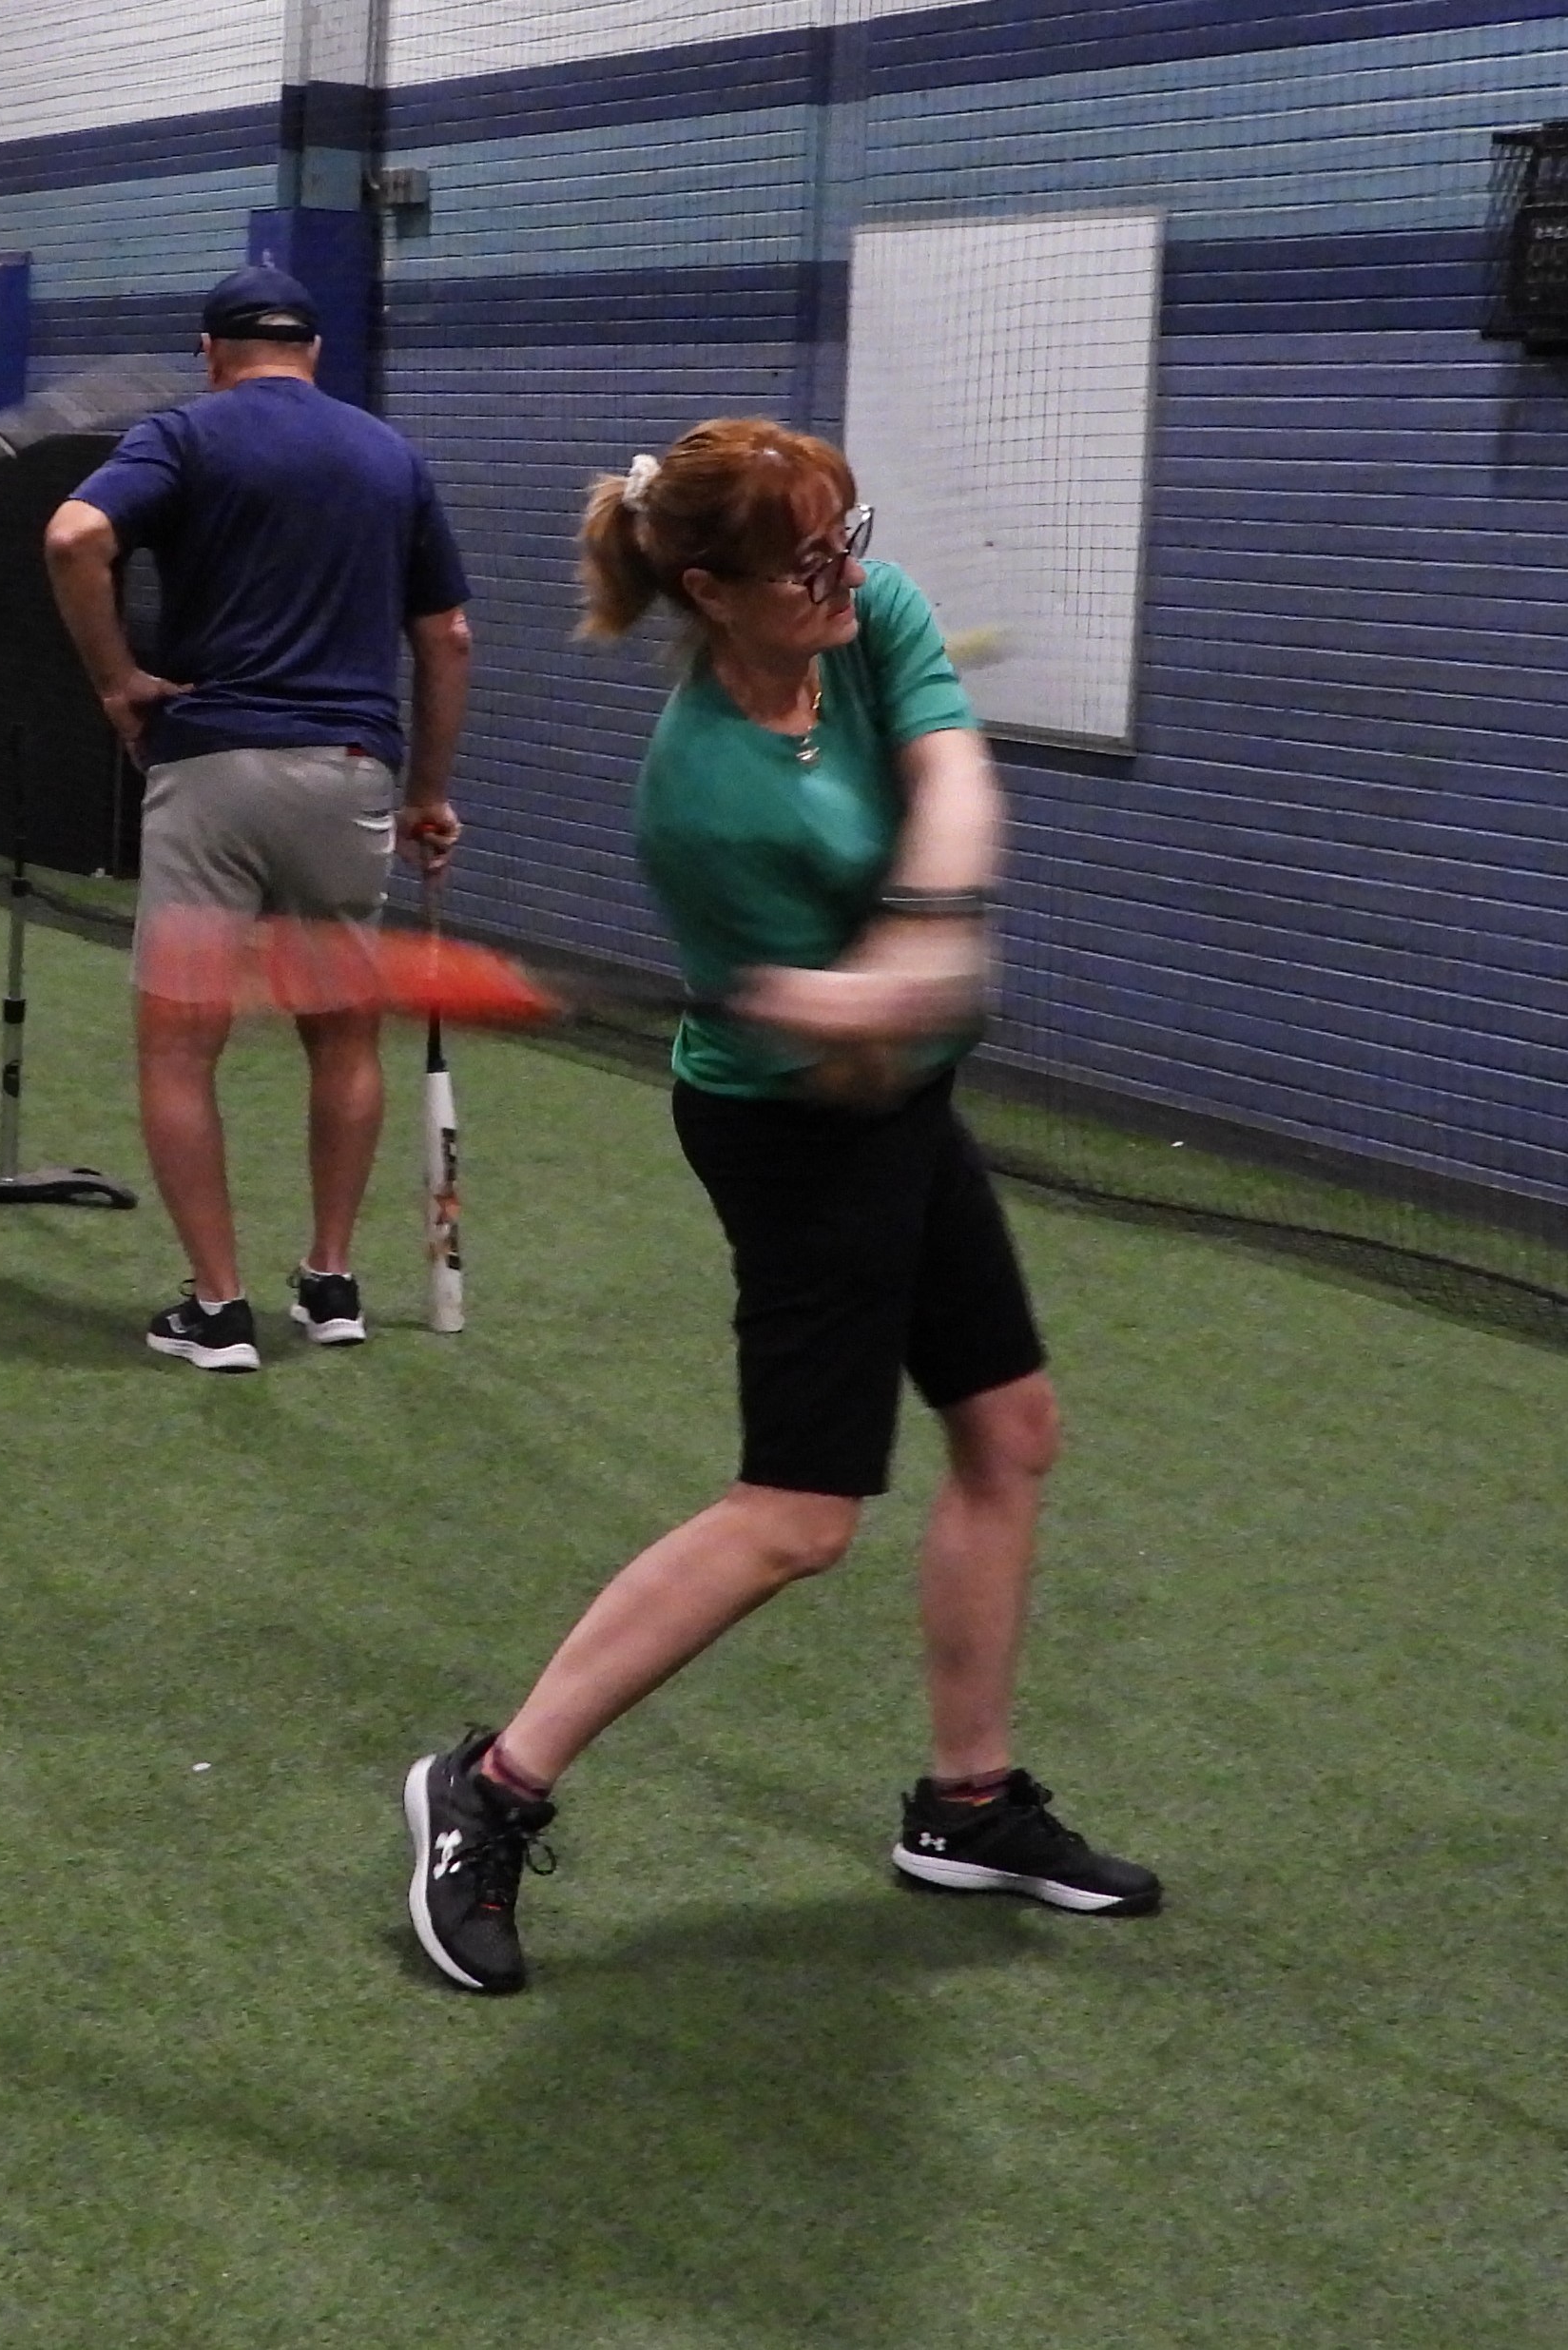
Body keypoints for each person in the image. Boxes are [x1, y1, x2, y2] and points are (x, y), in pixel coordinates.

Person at [398, 418, 1159, 1998]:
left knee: (1008, 1429)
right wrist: (856, 1002)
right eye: (802, 562)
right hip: (797, 1126)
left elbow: (953, 782)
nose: (844, 576)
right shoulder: (701, 797)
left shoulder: (865, 612)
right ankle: (490, 1783)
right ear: (708, 589)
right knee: (797, 1515)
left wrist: (917, 939)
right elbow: (846, 1059)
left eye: (843, 539)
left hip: (902, 1094)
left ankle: (964, 1804)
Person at [44, 264, 474, 1372]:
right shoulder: (390, 455)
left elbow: (73, 537)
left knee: (181, 1043)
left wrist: (116, 681)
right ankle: (330, 1282)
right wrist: (426, 793)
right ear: (312, 351)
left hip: (214, 766)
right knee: (341, 1033)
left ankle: (219, 1307)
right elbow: (447, 638)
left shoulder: (184, 436)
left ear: (210, 351)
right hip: (350, 772)